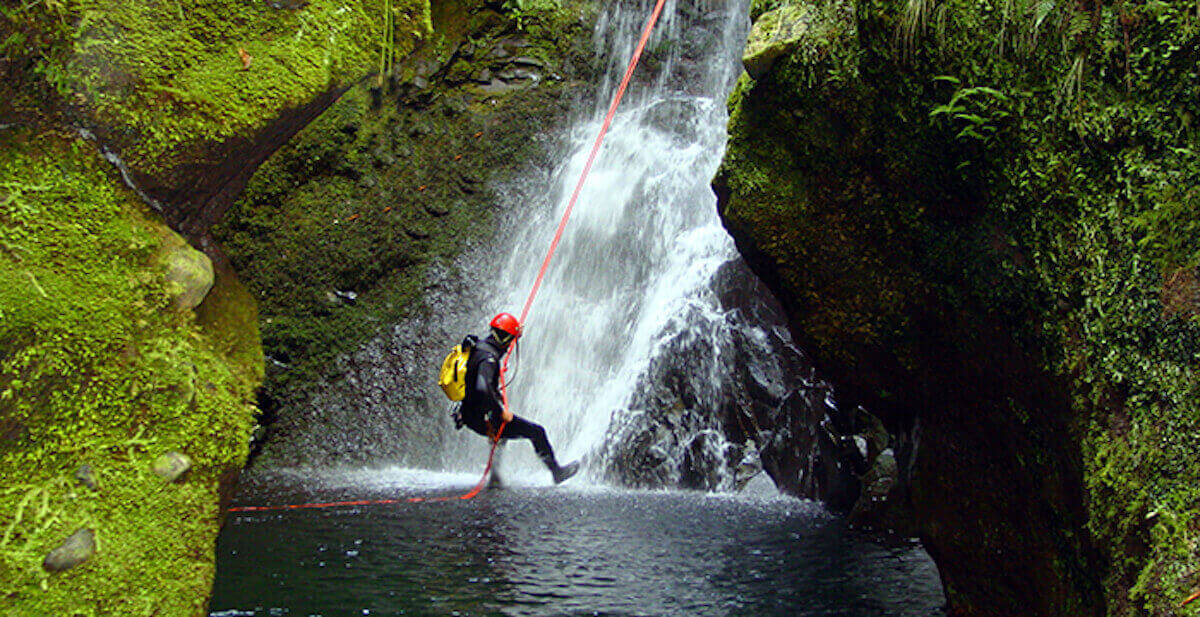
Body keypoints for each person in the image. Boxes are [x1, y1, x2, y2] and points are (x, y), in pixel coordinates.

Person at [454, 312, 579, 484]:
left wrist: (514, 332)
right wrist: (500, 412)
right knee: (537, 432)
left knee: (501, 434)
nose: (511, 344)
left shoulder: (479, 346)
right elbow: (483, 388)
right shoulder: (489, 359)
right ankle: (557, 472)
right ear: (505, 339)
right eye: (511, 340)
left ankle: (495, 477)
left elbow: (496, 348)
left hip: (469, 413)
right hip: (480, 417)